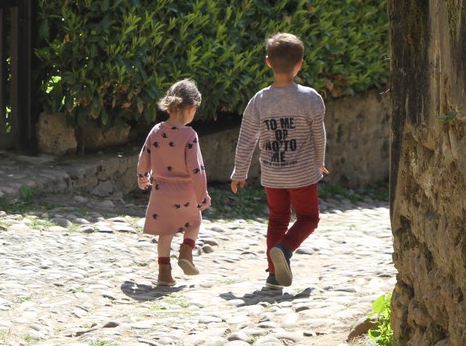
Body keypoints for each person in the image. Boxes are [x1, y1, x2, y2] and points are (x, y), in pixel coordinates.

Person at [230, 32, 327, 290]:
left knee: (277, 218)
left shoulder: (259, 100)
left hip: (272, 174)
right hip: (303, 175)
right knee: (309, 218)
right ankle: (285, 248)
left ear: (268, 62)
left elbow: (247, 138)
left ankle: (274, 275)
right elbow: (319, 133)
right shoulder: (310, 98)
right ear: (300, 64)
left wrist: (240, 171)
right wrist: (319, 160)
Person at [137, 79, 212, 287]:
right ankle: (186, 251)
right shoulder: (189, 135)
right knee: (194, 223)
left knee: (165, 231)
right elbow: (197, 169)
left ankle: (164, 273)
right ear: (190, 108)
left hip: (160, 190)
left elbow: (145, 155)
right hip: (185, 190)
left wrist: (142, 176)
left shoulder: (156, 131)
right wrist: (202, 195)